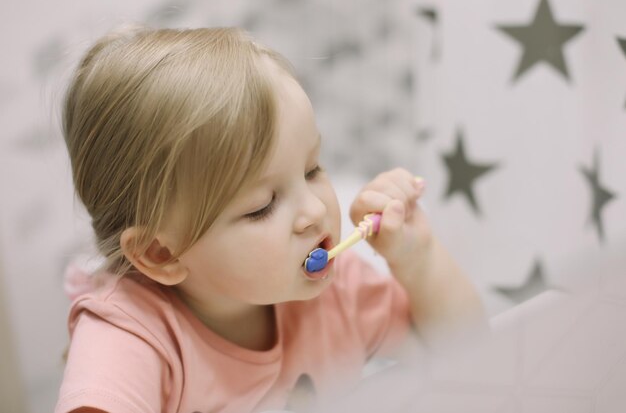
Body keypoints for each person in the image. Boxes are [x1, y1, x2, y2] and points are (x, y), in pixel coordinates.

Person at [55, 25, 486, 413]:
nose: (317, 211)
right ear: (160, 251)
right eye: (262, 206)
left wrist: (418, 259)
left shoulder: (338, 293)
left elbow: (470, 354)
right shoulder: (129, 336)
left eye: (313, 169)